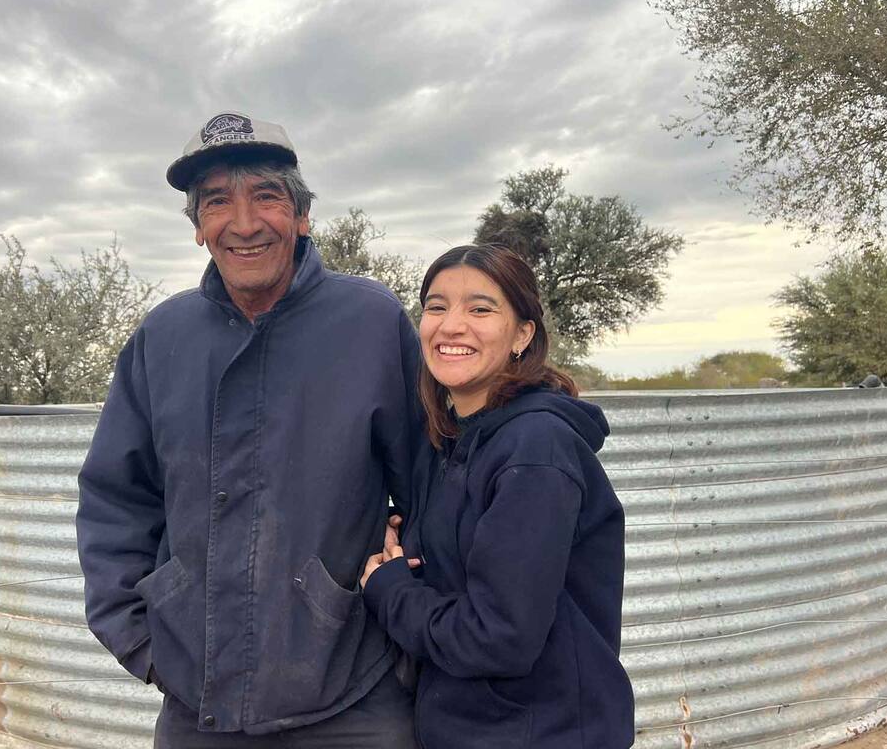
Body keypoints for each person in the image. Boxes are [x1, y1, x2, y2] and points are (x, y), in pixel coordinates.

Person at [76, 112, 422, 748]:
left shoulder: (371, 323)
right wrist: (141, 639)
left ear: (302, 216)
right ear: (199, 230)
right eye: (217, 202)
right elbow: (115, 499)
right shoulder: (163, 337)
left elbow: (430, 486)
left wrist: (407, 622)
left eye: (265, 196)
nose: (243, 222)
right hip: (197, 698)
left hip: (353, 697)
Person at [361, 244, 635, 748]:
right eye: (436, 307)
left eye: (480, 309)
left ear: (522, 334)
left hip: (540, 733)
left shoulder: (534, 449)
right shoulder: (455, 442)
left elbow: (499, 638)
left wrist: (390, 590)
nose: (451, 325)